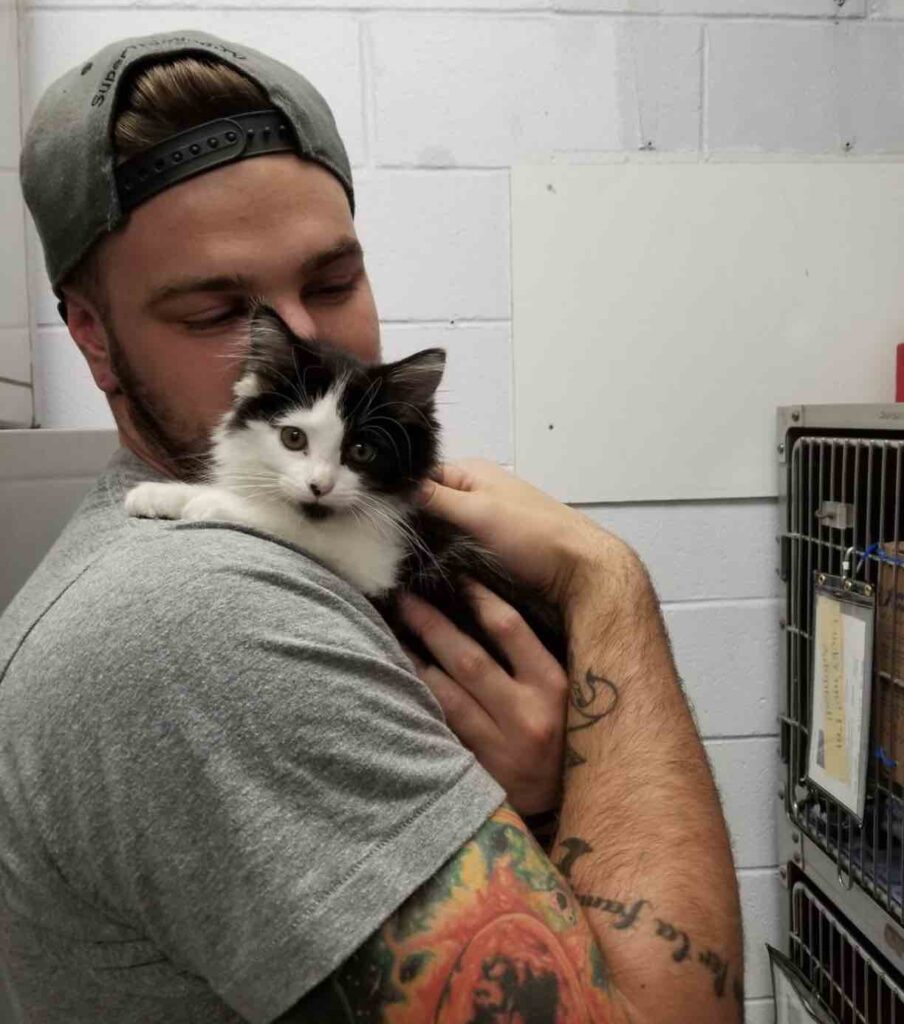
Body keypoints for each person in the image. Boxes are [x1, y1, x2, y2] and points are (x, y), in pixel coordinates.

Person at [0, 30, 743, 1023]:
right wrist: (606, 581)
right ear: (93, 334)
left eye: (334, 281)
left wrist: (531, 800)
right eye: (219, 309)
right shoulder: (198, 626)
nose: (304, 344)